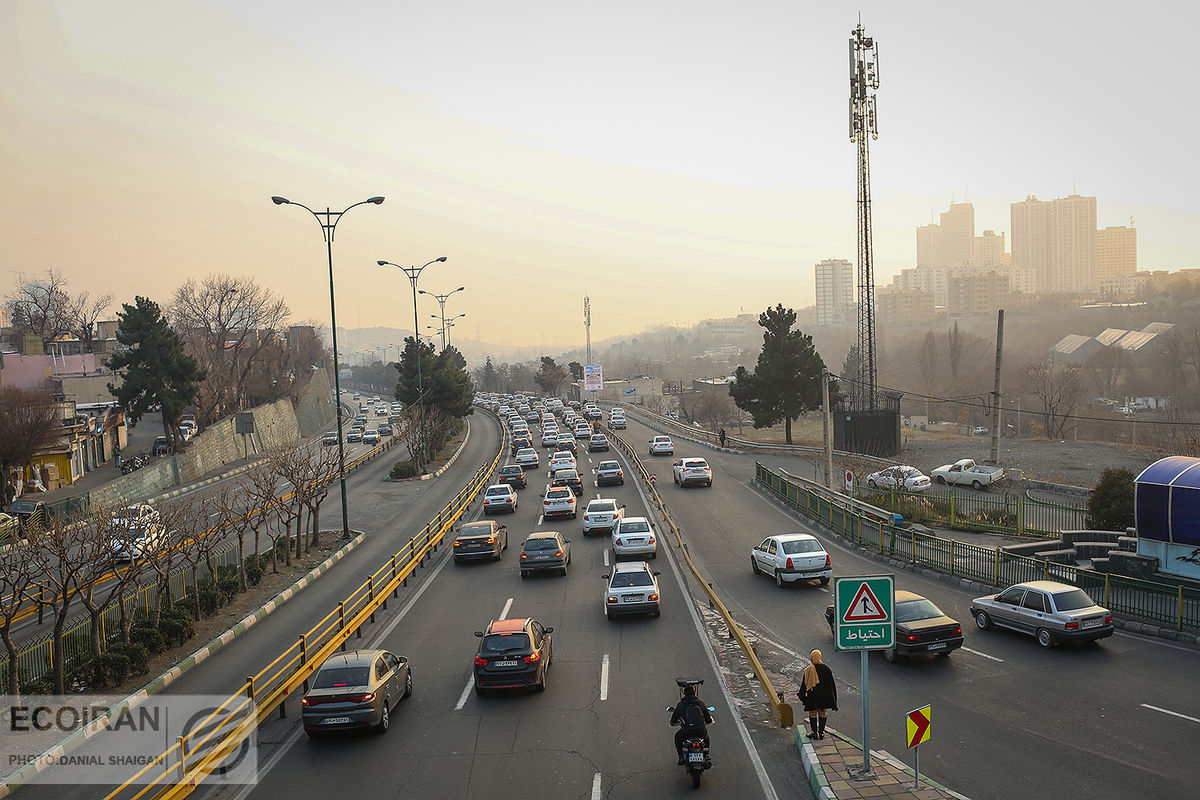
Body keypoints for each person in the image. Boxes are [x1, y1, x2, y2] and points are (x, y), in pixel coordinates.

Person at [798, 649, 837, 740]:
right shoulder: (826, 669)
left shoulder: (808, 670)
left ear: (811, 658)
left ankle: (814, 733)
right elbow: (831, 685)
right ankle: (821, 733)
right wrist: (832, 698)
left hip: (812, 696)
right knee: (823, 713)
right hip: (823, 697)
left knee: (812, 713)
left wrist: (802, 695)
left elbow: (805, 684)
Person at [670, 683, 714, 764]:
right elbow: (708, 719)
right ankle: (706, 755)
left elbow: (673, 719)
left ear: (684, 694)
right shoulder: (701, 703)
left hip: (686, 732)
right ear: (694, 693)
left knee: (677, 737)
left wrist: (673, 722)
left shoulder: (681, 705)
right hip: (700, 731)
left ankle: (681, 757)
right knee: (706, 737)